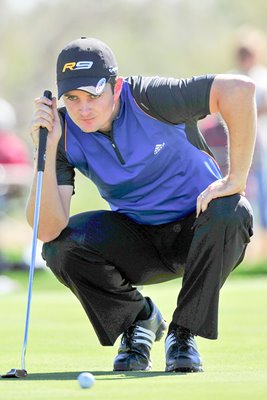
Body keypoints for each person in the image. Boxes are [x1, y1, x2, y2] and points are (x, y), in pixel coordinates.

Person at [26, 37, 256, 373]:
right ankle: (139, 321)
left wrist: (235, 178)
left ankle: (184, 332)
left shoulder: (150, 97)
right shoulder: (63, 133)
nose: (83, 108)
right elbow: (48, 229)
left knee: (232, 210)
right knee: (60, 247)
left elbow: (239, 90)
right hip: (139, 242)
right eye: (72, 98)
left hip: (200, 232)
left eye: (93, 95)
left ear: (116, 87)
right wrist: (45, 148)